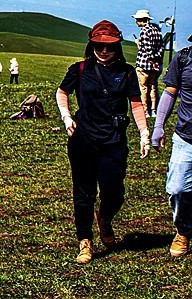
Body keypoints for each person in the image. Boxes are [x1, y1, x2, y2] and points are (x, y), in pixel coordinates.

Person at [56, 20, 149, 264]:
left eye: (109, 47)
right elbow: (62, 92)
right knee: (83, 193)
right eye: (99, 46)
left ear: (117, 47)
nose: (104, 51)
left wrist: (144, 133)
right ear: (92, 45)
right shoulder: (80, 69)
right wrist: (66, 117)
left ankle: (105, 218)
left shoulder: (127, 73)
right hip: (83, 139)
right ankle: (85, 242)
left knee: (114, 191)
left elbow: (136, 104)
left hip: (114, 140)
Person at [150, 38, 192, 257]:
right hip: (186, 137)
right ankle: (183, 230)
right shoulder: (184, 58)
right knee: (177, 189)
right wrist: (158, 126)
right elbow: (170, 92)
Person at [134, 9, 164, 117]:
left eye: (137, 20)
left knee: (143, 88)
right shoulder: (156, 30)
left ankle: (145, 111)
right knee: (152, 87)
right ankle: (154, 110)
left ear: (141, 20)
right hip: (154, 66)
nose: (136, 22)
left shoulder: (144, 31)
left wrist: (138, 43)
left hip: (144, 64)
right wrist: (156, 59)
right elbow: (161, 47)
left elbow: (147, 49)